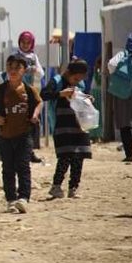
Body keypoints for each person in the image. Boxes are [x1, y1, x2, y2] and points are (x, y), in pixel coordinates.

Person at [0, 54, 42, 213]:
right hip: (4, 135)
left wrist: (35, 115)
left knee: (23, 167)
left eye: (17, 68)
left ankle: (23, 198)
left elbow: (39, 102)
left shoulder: (29, 90)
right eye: (10, 67)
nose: (13, 71)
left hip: (24, 135)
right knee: (7, 168)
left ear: (24, 70)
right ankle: (11, 199)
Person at [41, 59, 92, 200]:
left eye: (79, 79)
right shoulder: (56, 81)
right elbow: (43, 94)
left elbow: (82, 98)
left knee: (79, 156)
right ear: (69, 73)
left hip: (79, 126)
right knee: (65, 156)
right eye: (75, 78)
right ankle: (56, 187)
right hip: (62, 126)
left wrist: (87, 99)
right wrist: (60, 94)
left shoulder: (80, 84)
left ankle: (73, 188)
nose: (77, 82)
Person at [108, 32, 132, 163]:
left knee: (124, 125)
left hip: (122, 93)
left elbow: (111, 65)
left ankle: (129, 155)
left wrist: (119, 77)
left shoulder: (123, 54)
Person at [15, 31, 46, 163]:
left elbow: (41, 72)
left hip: (31, 92)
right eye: (23, 42)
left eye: (28, 43)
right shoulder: (15, 56)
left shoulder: (34, 56)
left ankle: (30, 151)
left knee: (31, 122)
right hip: (17, 92)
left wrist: (34, 70)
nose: (26, 45)